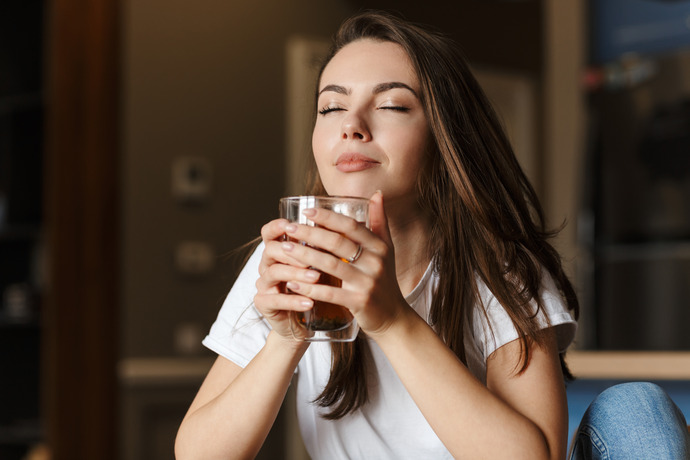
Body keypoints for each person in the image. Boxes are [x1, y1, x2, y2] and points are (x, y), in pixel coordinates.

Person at [175, 11, 689, 460]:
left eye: (392, 105)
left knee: (635, 408)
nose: (351, 125)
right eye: (330, 107)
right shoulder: (287, 259)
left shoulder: (500, 267)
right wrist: (287, 336)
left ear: (444, 135)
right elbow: (198, 454)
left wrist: (394, 320)